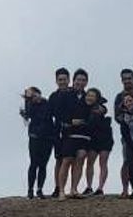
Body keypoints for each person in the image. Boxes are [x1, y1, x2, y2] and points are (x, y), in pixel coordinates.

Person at [54, 69, 90, 198]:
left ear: (86, 82)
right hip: (68, 132)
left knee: (80, 158)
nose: (80, 82)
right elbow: (57, 113)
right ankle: (61, 190)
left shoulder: (88, 96)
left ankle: (74, 189)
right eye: (78, 80)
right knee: (67, 159)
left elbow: (99, 103)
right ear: (73, 81)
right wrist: (69, 121)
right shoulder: (66, 95)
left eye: (83, 80)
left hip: (84, 134)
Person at [19, 87, 55, 199]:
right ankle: (30, 189)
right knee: (34, 163)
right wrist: (27, 100)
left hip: (48, 137)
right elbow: (27, 117)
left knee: (43, 164)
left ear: (39, 94)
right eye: (32, 96)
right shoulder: (30, 105)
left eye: (35, 95)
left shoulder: (47, 103)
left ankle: (39, 189)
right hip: (35, 137)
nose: (34, 98)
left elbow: (48, 116)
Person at [45, 67, 75, 198]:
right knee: (59, 159)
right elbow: (48, 114)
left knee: (70, 159)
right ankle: (58, 187)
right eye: (60, 79)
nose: (62, 82)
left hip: (73, 130)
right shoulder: (53, 96)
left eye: (64, 79)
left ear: (69, 80)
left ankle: (71, 188)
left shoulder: (74, 94)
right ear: (56, 81)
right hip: (57, 130)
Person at [112, 68, 133, 198]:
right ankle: (125, 189)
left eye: (129, 78)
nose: (127, 81)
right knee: (127, 161)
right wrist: (127, 116)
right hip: (128, 135)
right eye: (125, 79)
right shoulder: (119, 97)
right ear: (121, 80)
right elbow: (117, 117)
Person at [82, 88, 113, 196]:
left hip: (104, 137)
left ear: (97, 98)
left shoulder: (99, 107)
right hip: (92, 138)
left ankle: (100, 188)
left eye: (92, 96)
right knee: (90, 162)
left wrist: (101, 109)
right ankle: (89, 187)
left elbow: (102, 109)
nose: (89, 97)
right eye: (88, 95)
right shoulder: (83, 107)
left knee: (103, 162)